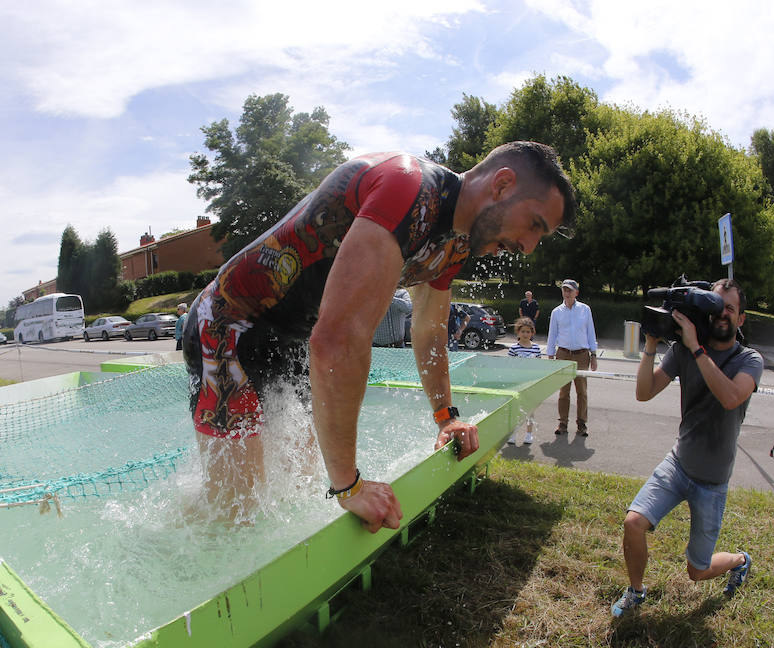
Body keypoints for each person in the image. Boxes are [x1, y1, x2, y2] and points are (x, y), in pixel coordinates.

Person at [182, 141, 577, 529]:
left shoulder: (455, 245)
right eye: (535, 225)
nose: (528, 247)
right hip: (226, 325)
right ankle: (173, 554)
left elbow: (430, 332)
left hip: (289, 341)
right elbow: (338, 340)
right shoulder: (408, 187)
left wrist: (446, 417)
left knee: (295, 492)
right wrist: (350, 486)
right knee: (234, 514)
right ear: (503, 184)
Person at [610, 278, 763, 617]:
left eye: (730, 309)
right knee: (633, 522)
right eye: (714, 305)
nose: (721, 313)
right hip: (678, 465)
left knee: (697, 571)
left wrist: (697, 347)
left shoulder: (749, 359)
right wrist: (651, 344)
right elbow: (644, 392)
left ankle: (739, 560)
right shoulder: (683, 350)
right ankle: (636, 592)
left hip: (712, 481)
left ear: (741, 319)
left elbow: (731, 397)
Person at [545, 279, 597, 437]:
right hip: (563, 354)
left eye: (570, 290)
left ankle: (582, 424)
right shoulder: (557, 312)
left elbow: (591, 332)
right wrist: (550, 354)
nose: (566, 293)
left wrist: (593, 354)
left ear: (576, 292)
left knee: (582, 392)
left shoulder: (585, 309)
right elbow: (552, 334)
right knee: (563, 392)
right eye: (564, 290)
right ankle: (562, 423)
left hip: (581, 354)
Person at [506, 317, 541, 445]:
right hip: (517, 384)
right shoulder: (514, 348)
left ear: (532, 333)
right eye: (523, 332)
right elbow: (508, 366)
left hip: (530, 384)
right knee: (515, 409)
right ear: (518, 332)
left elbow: (539, 367)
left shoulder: (536, 348)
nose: (525, 334)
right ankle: (513, 434)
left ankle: (529, 434)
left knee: (530, 410)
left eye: (528, 332)